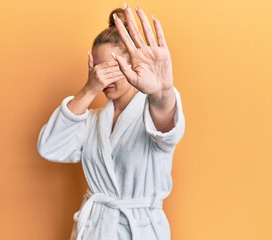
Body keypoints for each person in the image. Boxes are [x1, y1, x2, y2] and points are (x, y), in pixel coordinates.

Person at [37, 4, 185, 240]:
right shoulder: (93, 122)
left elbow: (165, 123)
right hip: (95, 230)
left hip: (139, 231)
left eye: (112, 67)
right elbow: (49, 147)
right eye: (97, 68)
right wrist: (88, 90)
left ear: (133, 66)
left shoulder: (151, 112)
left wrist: (163, 91)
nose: (103, 76)